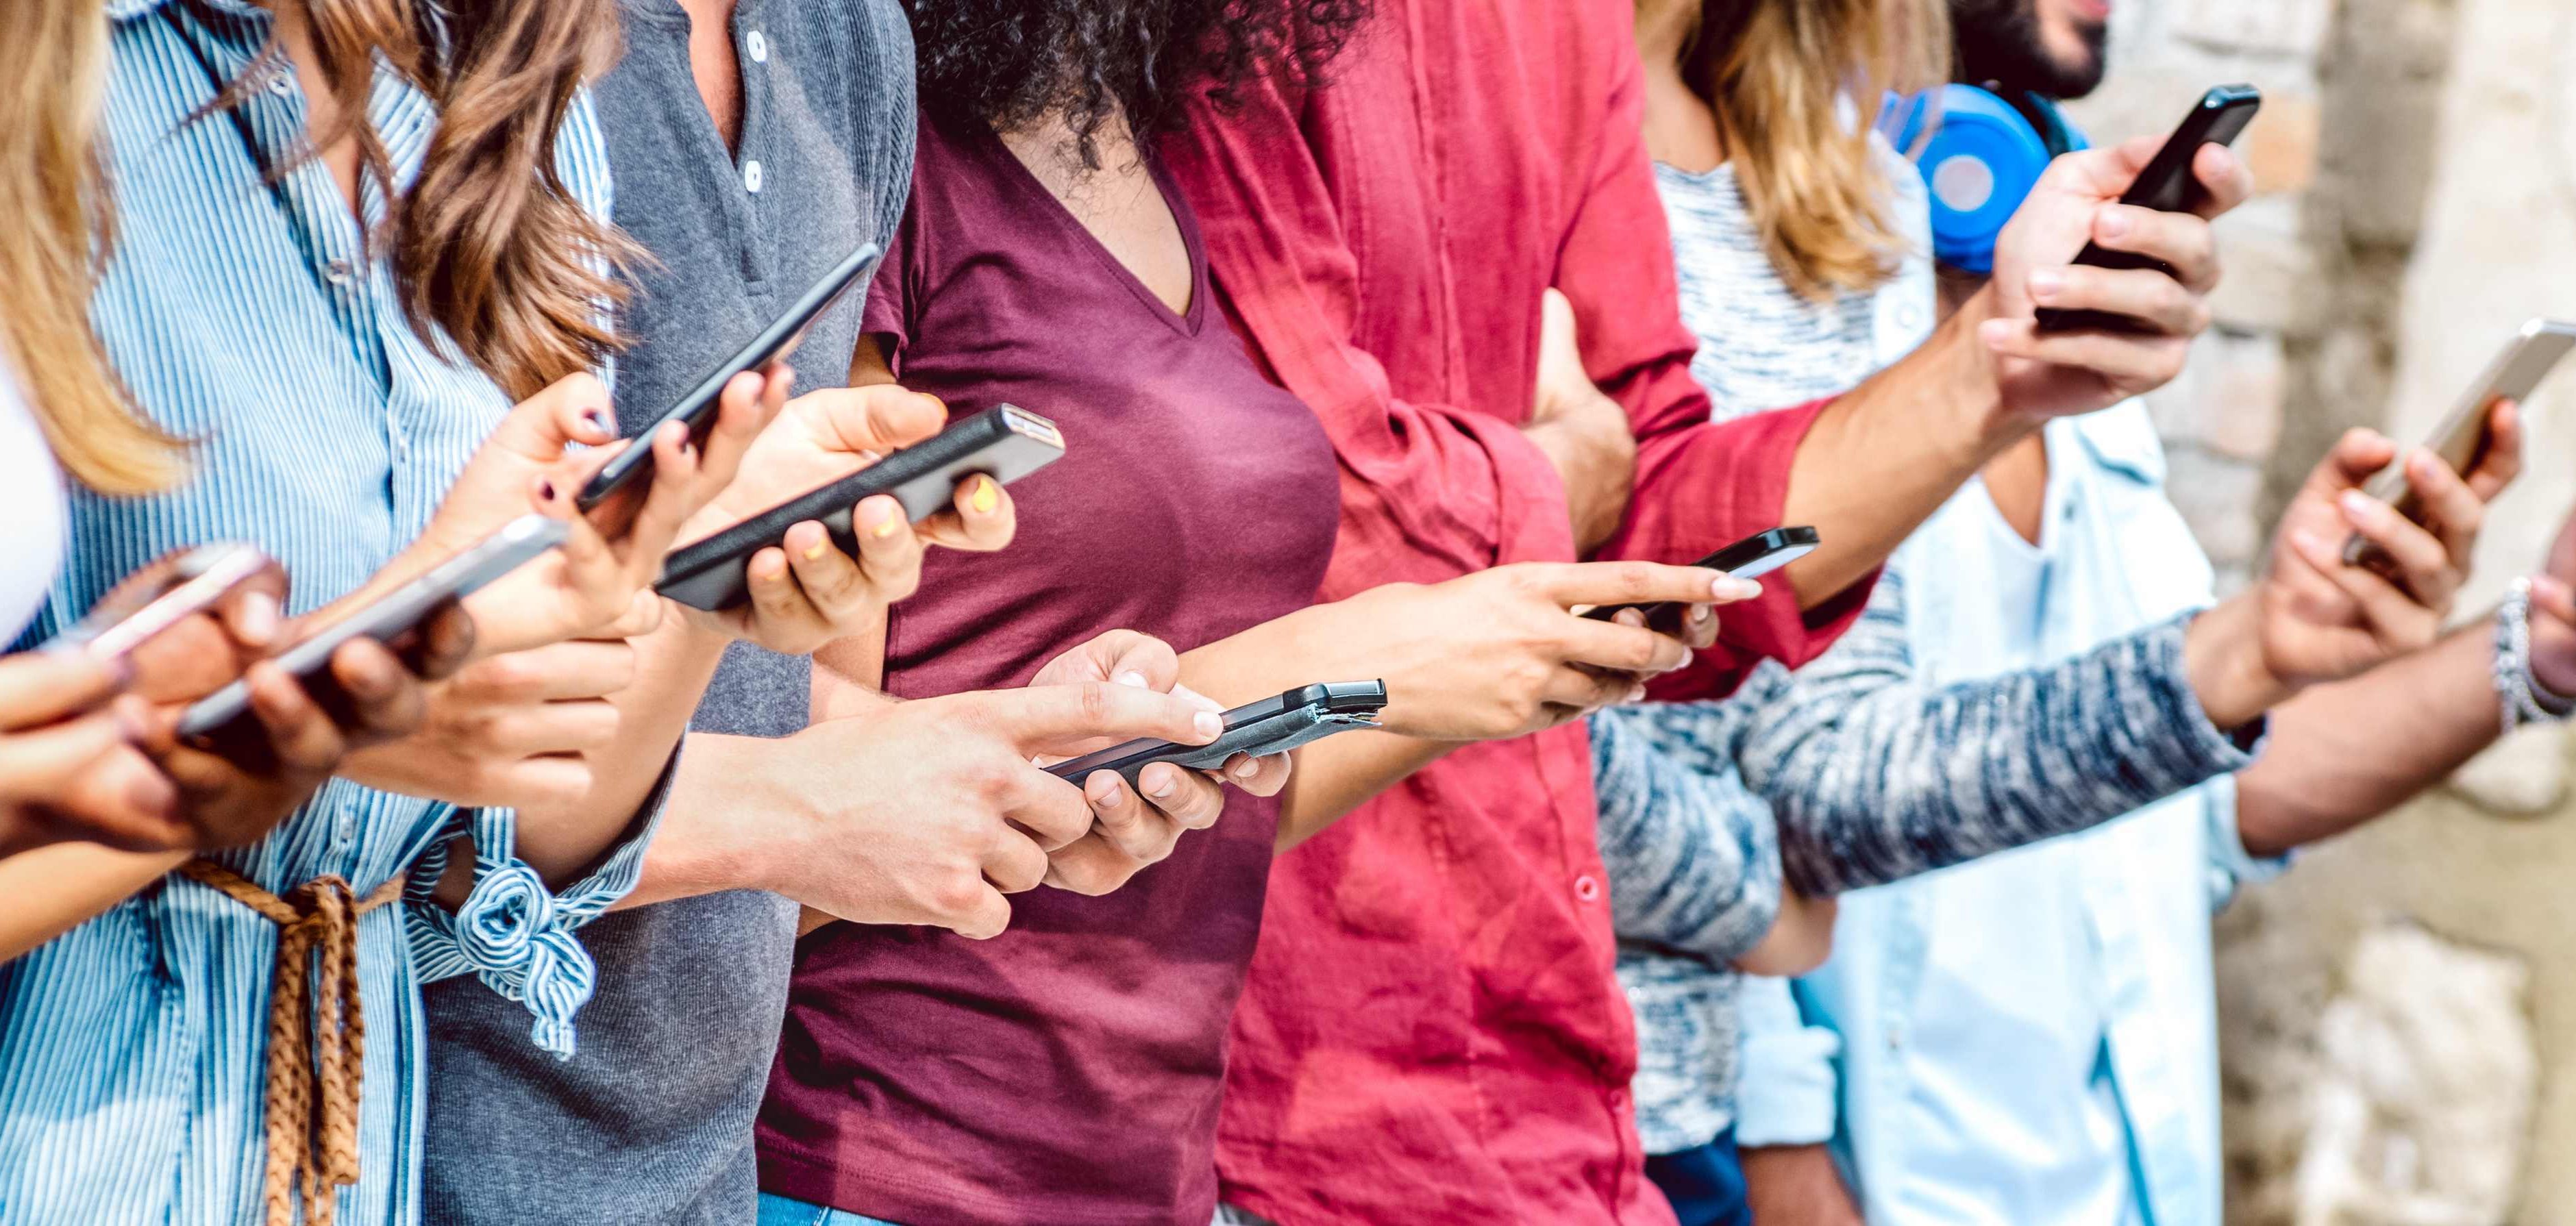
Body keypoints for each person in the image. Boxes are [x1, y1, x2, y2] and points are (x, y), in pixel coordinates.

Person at [1152, 0, 2252, 1218]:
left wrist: (1998, 373)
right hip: (1304, 1090)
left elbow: (1712, 631)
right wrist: (1746, 894)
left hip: (1611, 1106)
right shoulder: (1303, 36)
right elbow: (1356, 588)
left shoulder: (1829, 181)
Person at [746, 4, 1774, 1224]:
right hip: (879, 1163)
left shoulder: (1155, 133)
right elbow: (796, 817)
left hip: (1148, 1172)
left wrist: (1462, 672)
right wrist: (1361, 649)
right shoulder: (886, 140)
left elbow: (1200, 821)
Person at [1696, 1, 2576, 1222]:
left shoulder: (2090, 321)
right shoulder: (1737, 294)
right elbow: (1713, 806)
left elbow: (2185, 795)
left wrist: (2537, 649)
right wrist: (1788, 1172)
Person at [414, 3, 1261, 1222]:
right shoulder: (438, 41)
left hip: (701, 1166)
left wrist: (984, 751)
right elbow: (347, 744)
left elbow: (761, 680)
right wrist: (797, 812)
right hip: (404, 1147)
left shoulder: (844, 42)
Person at [0, 1, 789, 1221]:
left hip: (356, 1152)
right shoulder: (63, 68)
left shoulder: (503, 85)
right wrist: (350, 699)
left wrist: (706, 573)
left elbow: (498, 866)